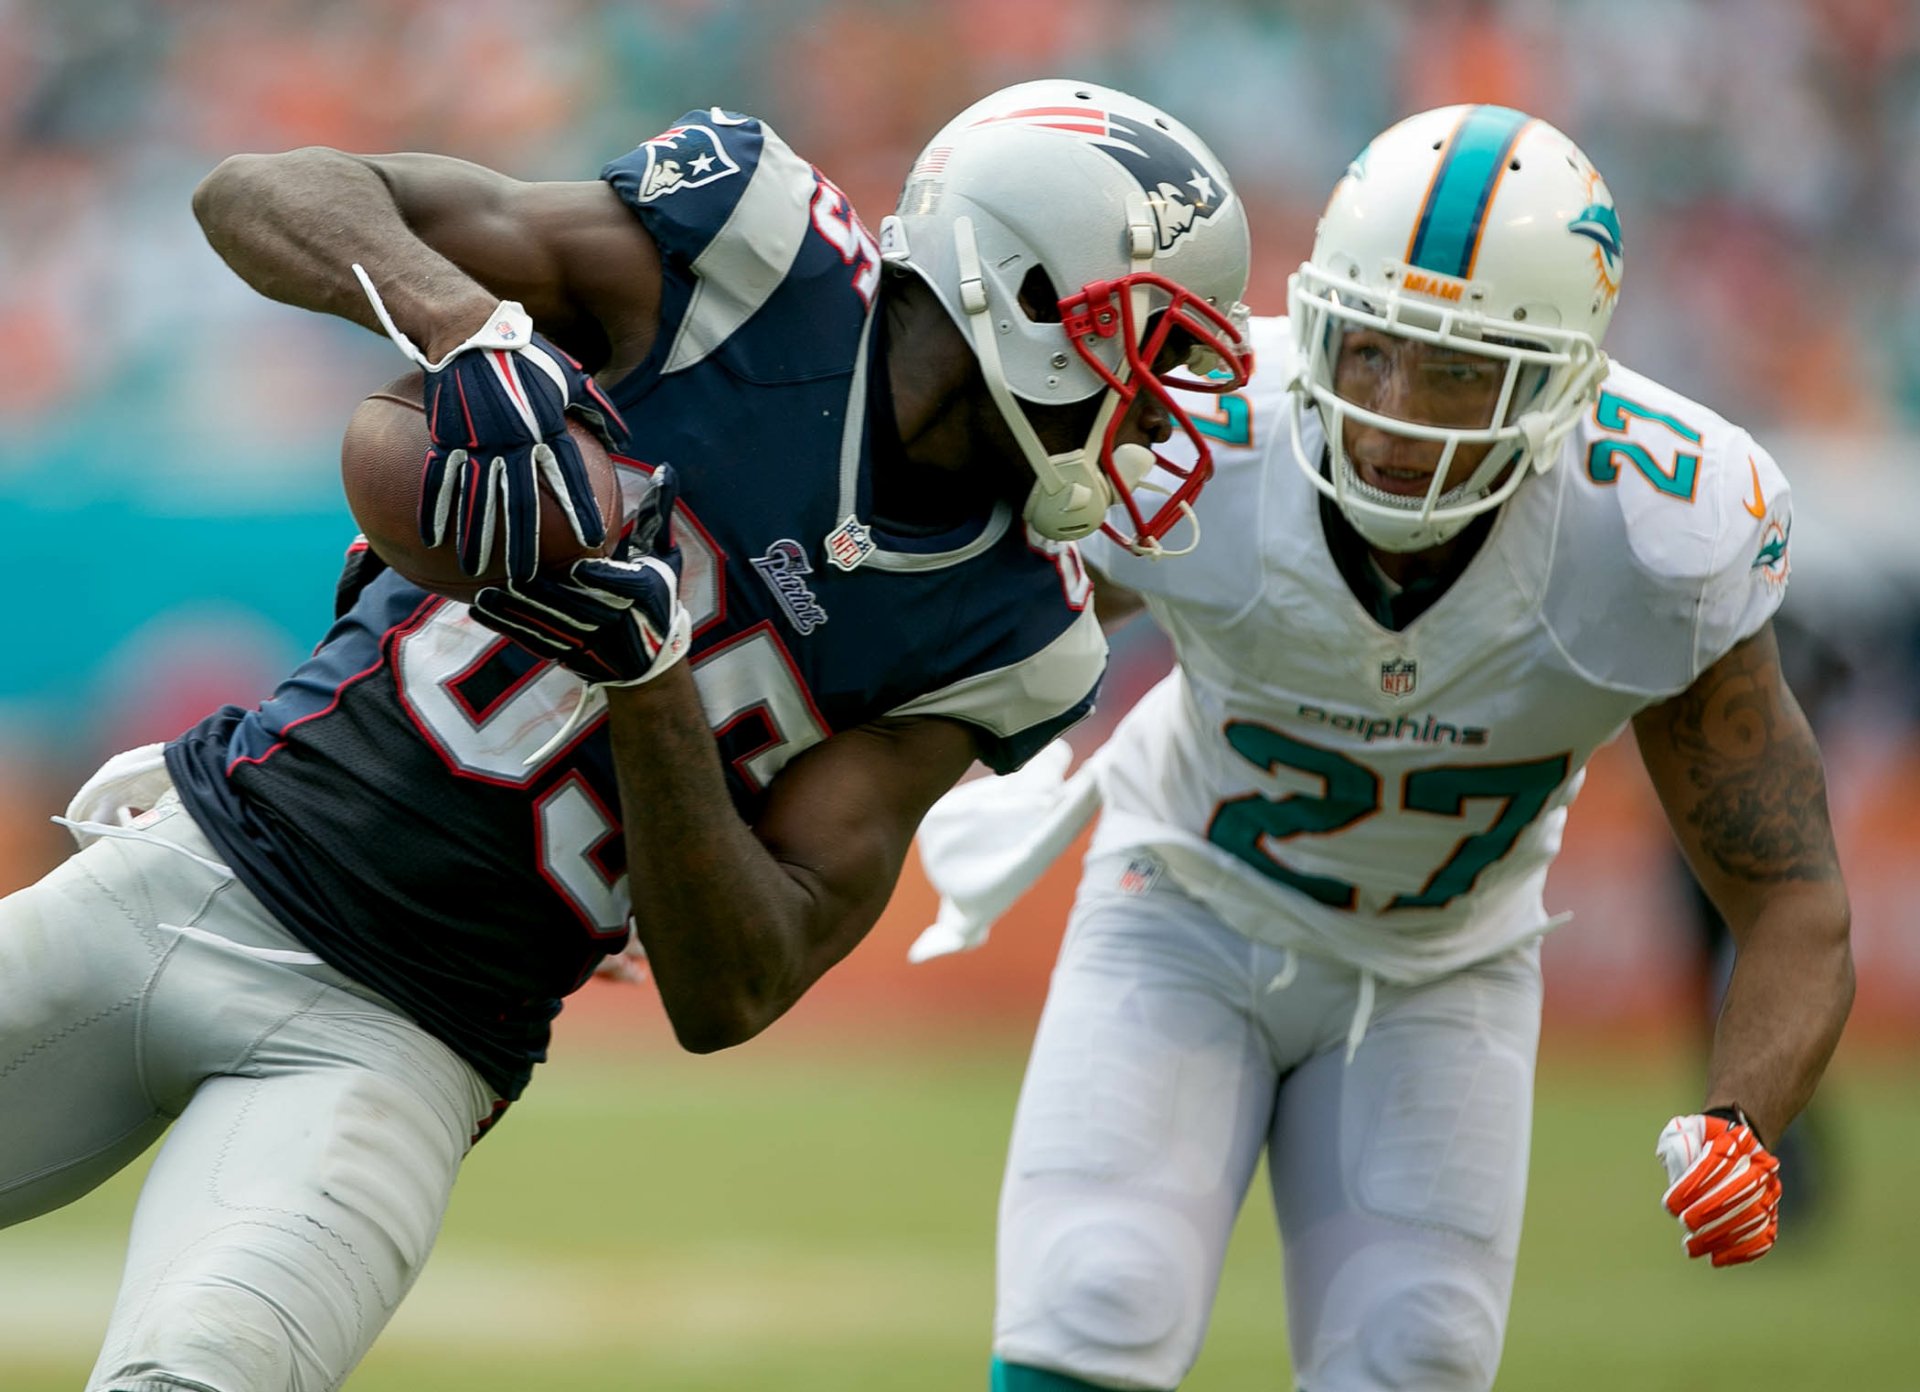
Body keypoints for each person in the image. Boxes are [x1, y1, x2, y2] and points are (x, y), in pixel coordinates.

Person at [0, 78, 1253, 1391]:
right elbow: (258, 191)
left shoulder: (1016, 630)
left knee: (203, 1374)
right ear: (1032, 297)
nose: (1160, 410)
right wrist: (474, 335)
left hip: (403, 1042)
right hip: (188, 871)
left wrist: (647, 678)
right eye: (1149, 349)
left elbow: (738, 985)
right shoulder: (756, 261)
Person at [909, 104, 1853, 1392]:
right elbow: (953, 624)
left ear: (1562, 379)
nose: (1397, 409)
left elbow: (1792, 896)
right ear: (1318, 323)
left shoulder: (1654, 535)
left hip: (1442, 966)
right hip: (1181, 906)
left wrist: (1745, 1119)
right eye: (1367, 350)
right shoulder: (1207, 438)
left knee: (1417, 1352)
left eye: (1462, 368)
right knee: (1098, 1293)